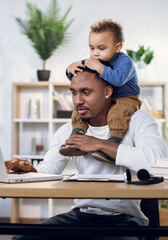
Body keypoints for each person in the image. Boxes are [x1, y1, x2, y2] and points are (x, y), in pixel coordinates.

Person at [5, 67, 168, 240]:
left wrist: (99, 144)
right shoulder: (70, 129)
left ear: (107, 92)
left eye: (86, 92)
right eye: (74, 93)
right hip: (81, 216)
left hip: (126, 219)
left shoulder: (137, 120)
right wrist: (30, 170)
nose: (77, 100)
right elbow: (51, 167)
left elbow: (158, 161)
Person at [59, 19, 142, 163]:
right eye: (92, 48)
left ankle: (113, 143)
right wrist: (69, 69)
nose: (95, 53)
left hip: (126, 96)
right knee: (79, 108)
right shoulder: (97, 60)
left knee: (118, 113)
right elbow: (81, 77)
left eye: (101, 48)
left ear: (117, 47)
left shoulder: (125, 62)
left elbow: (118, 80)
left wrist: (100, 68)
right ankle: (77, 135)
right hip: (106, 97)